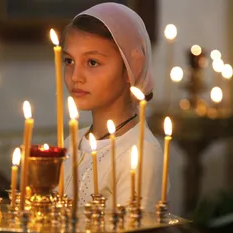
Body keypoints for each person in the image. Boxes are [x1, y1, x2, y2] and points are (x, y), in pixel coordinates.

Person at [62, 2, 165, 212]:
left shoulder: (140, 154)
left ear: (130, 68)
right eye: (69, 60)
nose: (75, 77)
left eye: (92, 62)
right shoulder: (72, 142)